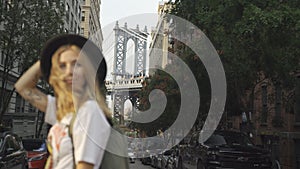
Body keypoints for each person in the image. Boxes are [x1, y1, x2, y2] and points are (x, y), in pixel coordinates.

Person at [15, 34, 112, 169]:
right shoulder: (64, 111)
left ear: (88, 71)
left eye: (76, 64)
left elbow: (85, 166)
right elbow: (23, 88)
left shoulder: (89, 111)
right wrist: (47, 59)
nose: (69, 72)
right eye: (62, 66)